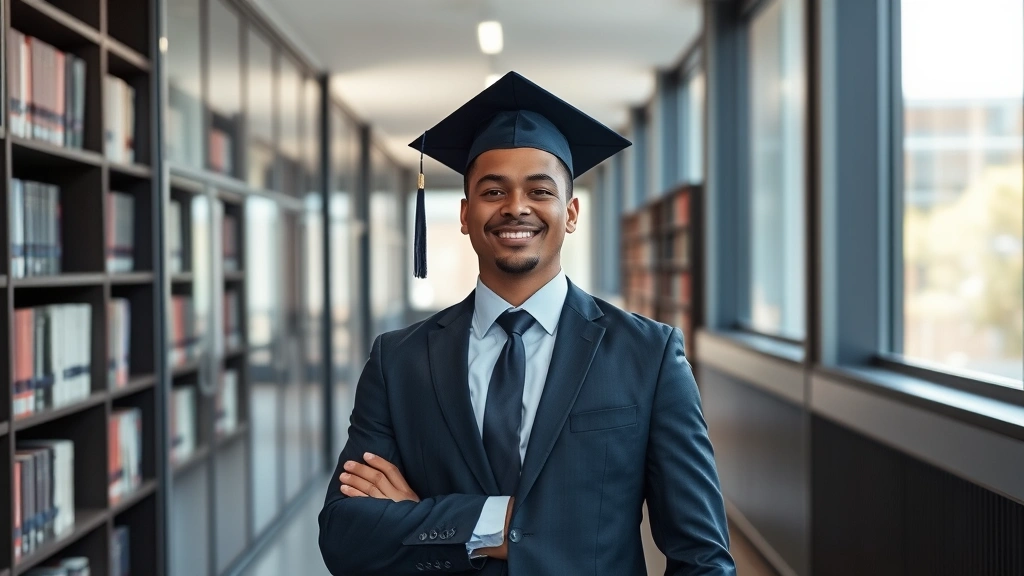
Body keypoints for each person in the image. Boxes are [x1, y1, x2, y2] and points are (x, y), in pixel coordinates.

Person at [318, 71, 735, 576]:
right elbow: (344, 535)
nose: (516, 207)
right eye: (493, 192)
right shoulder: (399, 360)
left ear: (572, 212)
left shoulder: (647, 355)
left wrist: (420, 519)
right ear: (466, 214)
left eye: (539, 191)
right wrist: (497, 521)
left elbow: (702, 555)